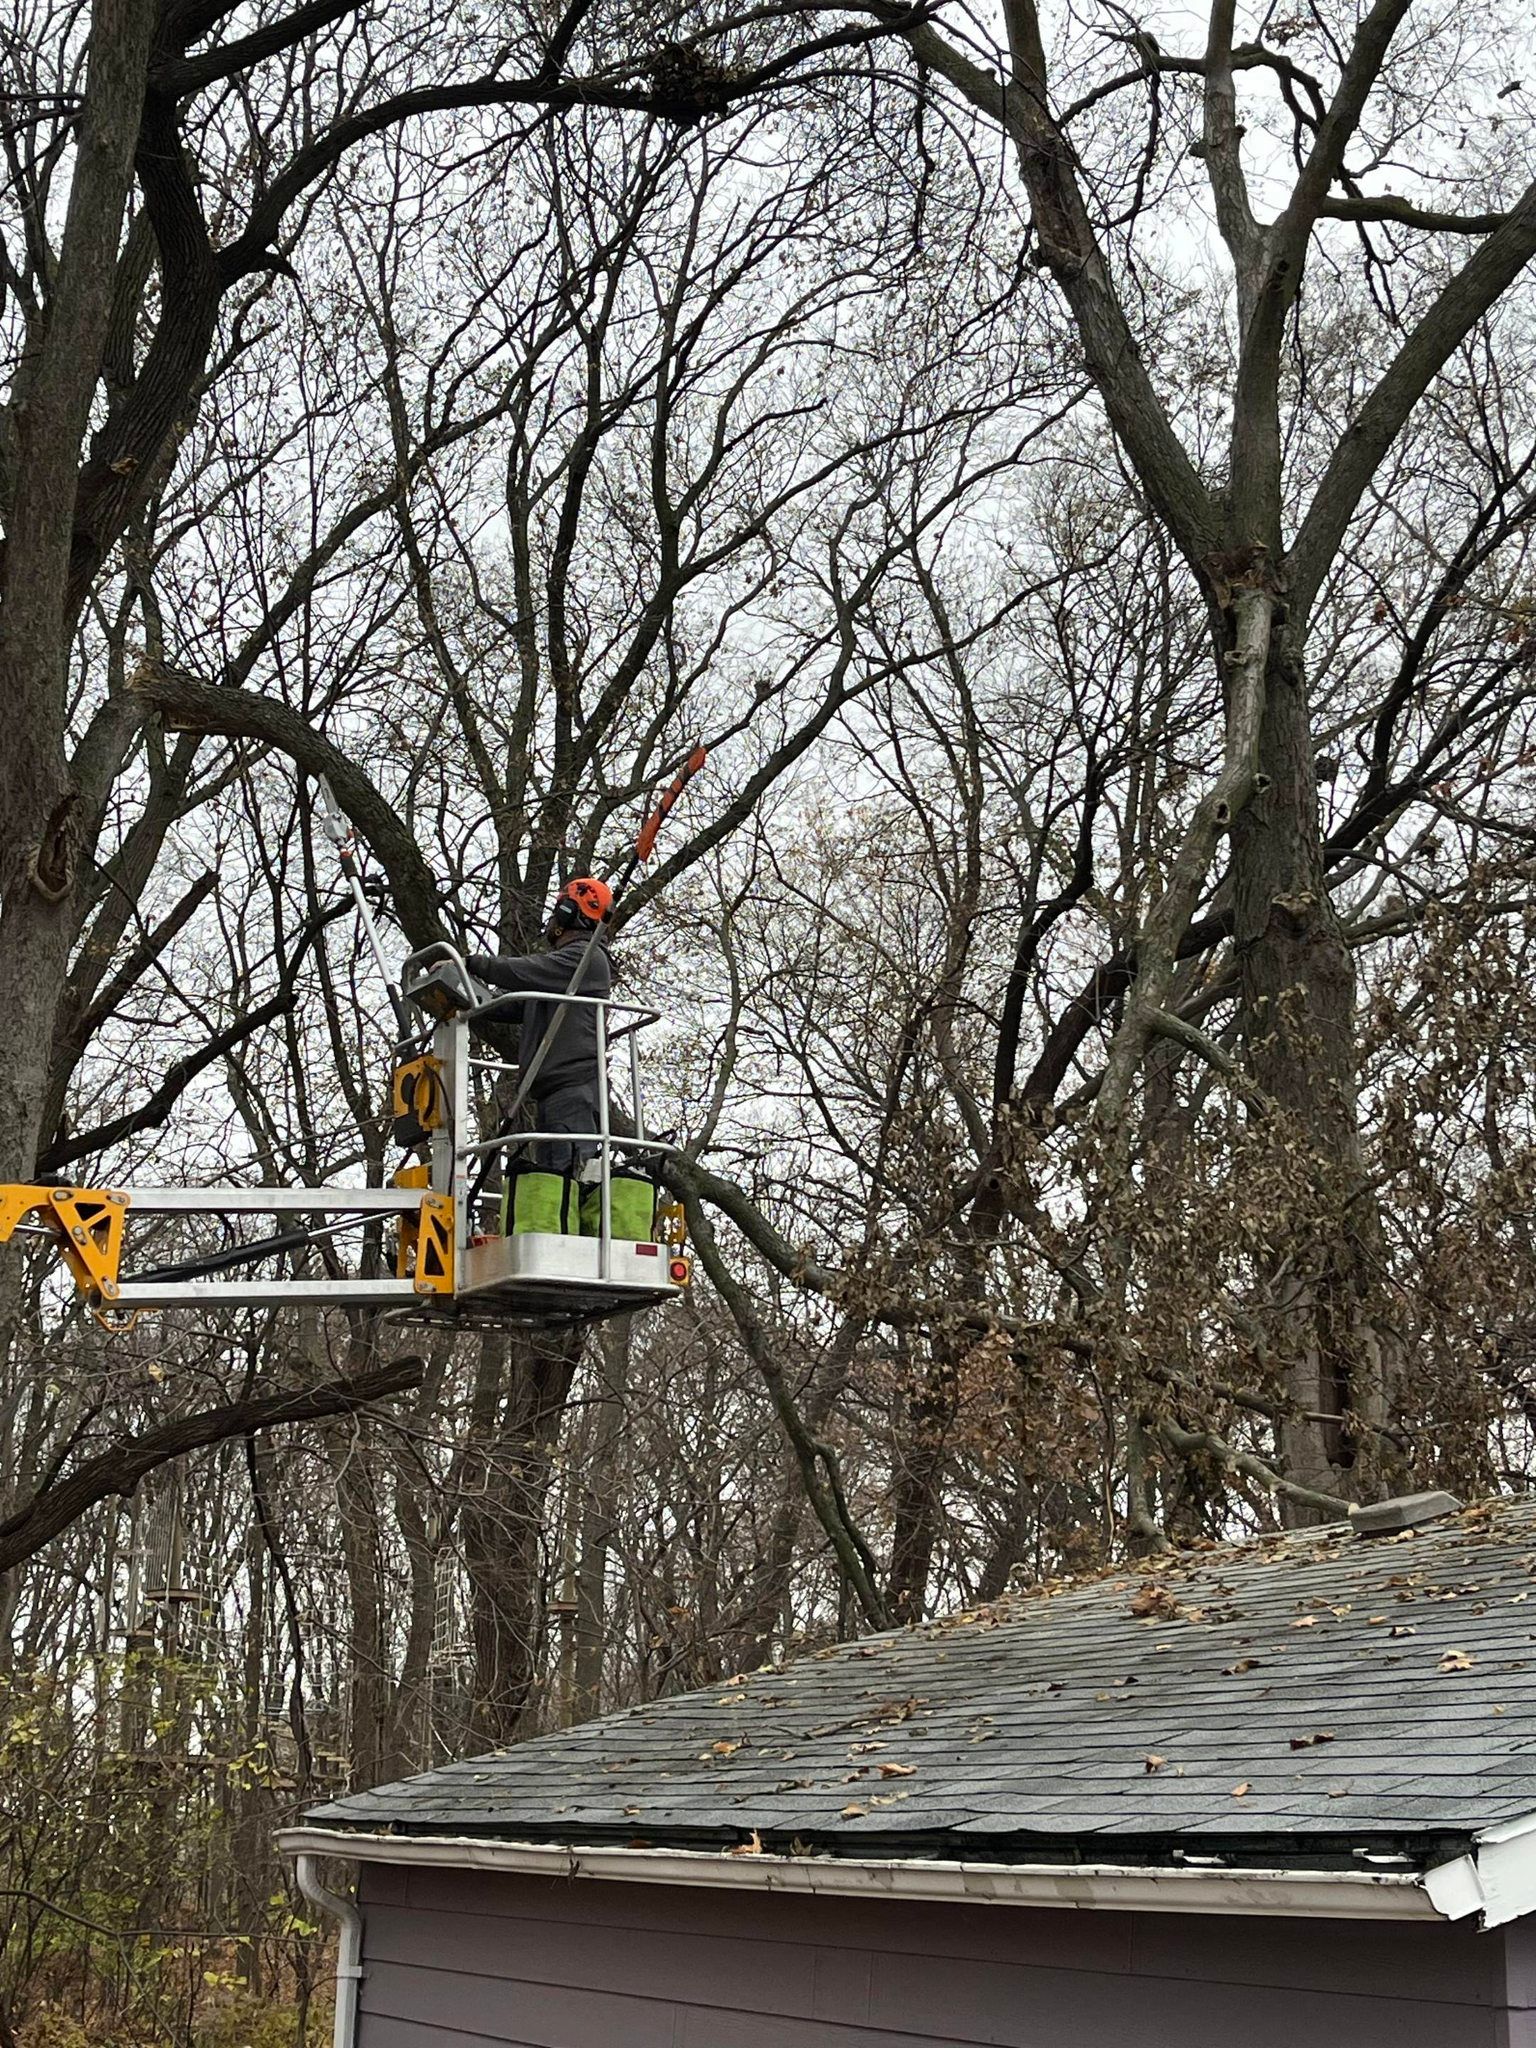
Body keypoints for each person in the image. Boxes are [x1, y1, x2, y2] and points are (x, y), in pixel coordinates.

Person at [466, 877, 651, 1238]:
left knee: (570, 1175)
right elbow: (514, 1004)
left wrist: (472, 963)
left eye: (558, 909)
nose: (551, 920)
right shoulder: (561, 973)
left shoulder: (585, 959)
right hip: (554, 1092)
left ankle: (573, 1245)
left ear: (569, 913)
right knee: (555, 1177)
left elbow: (520, 971)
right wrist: (470, 999)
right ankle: (559, 1239)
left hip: (574, 1088)